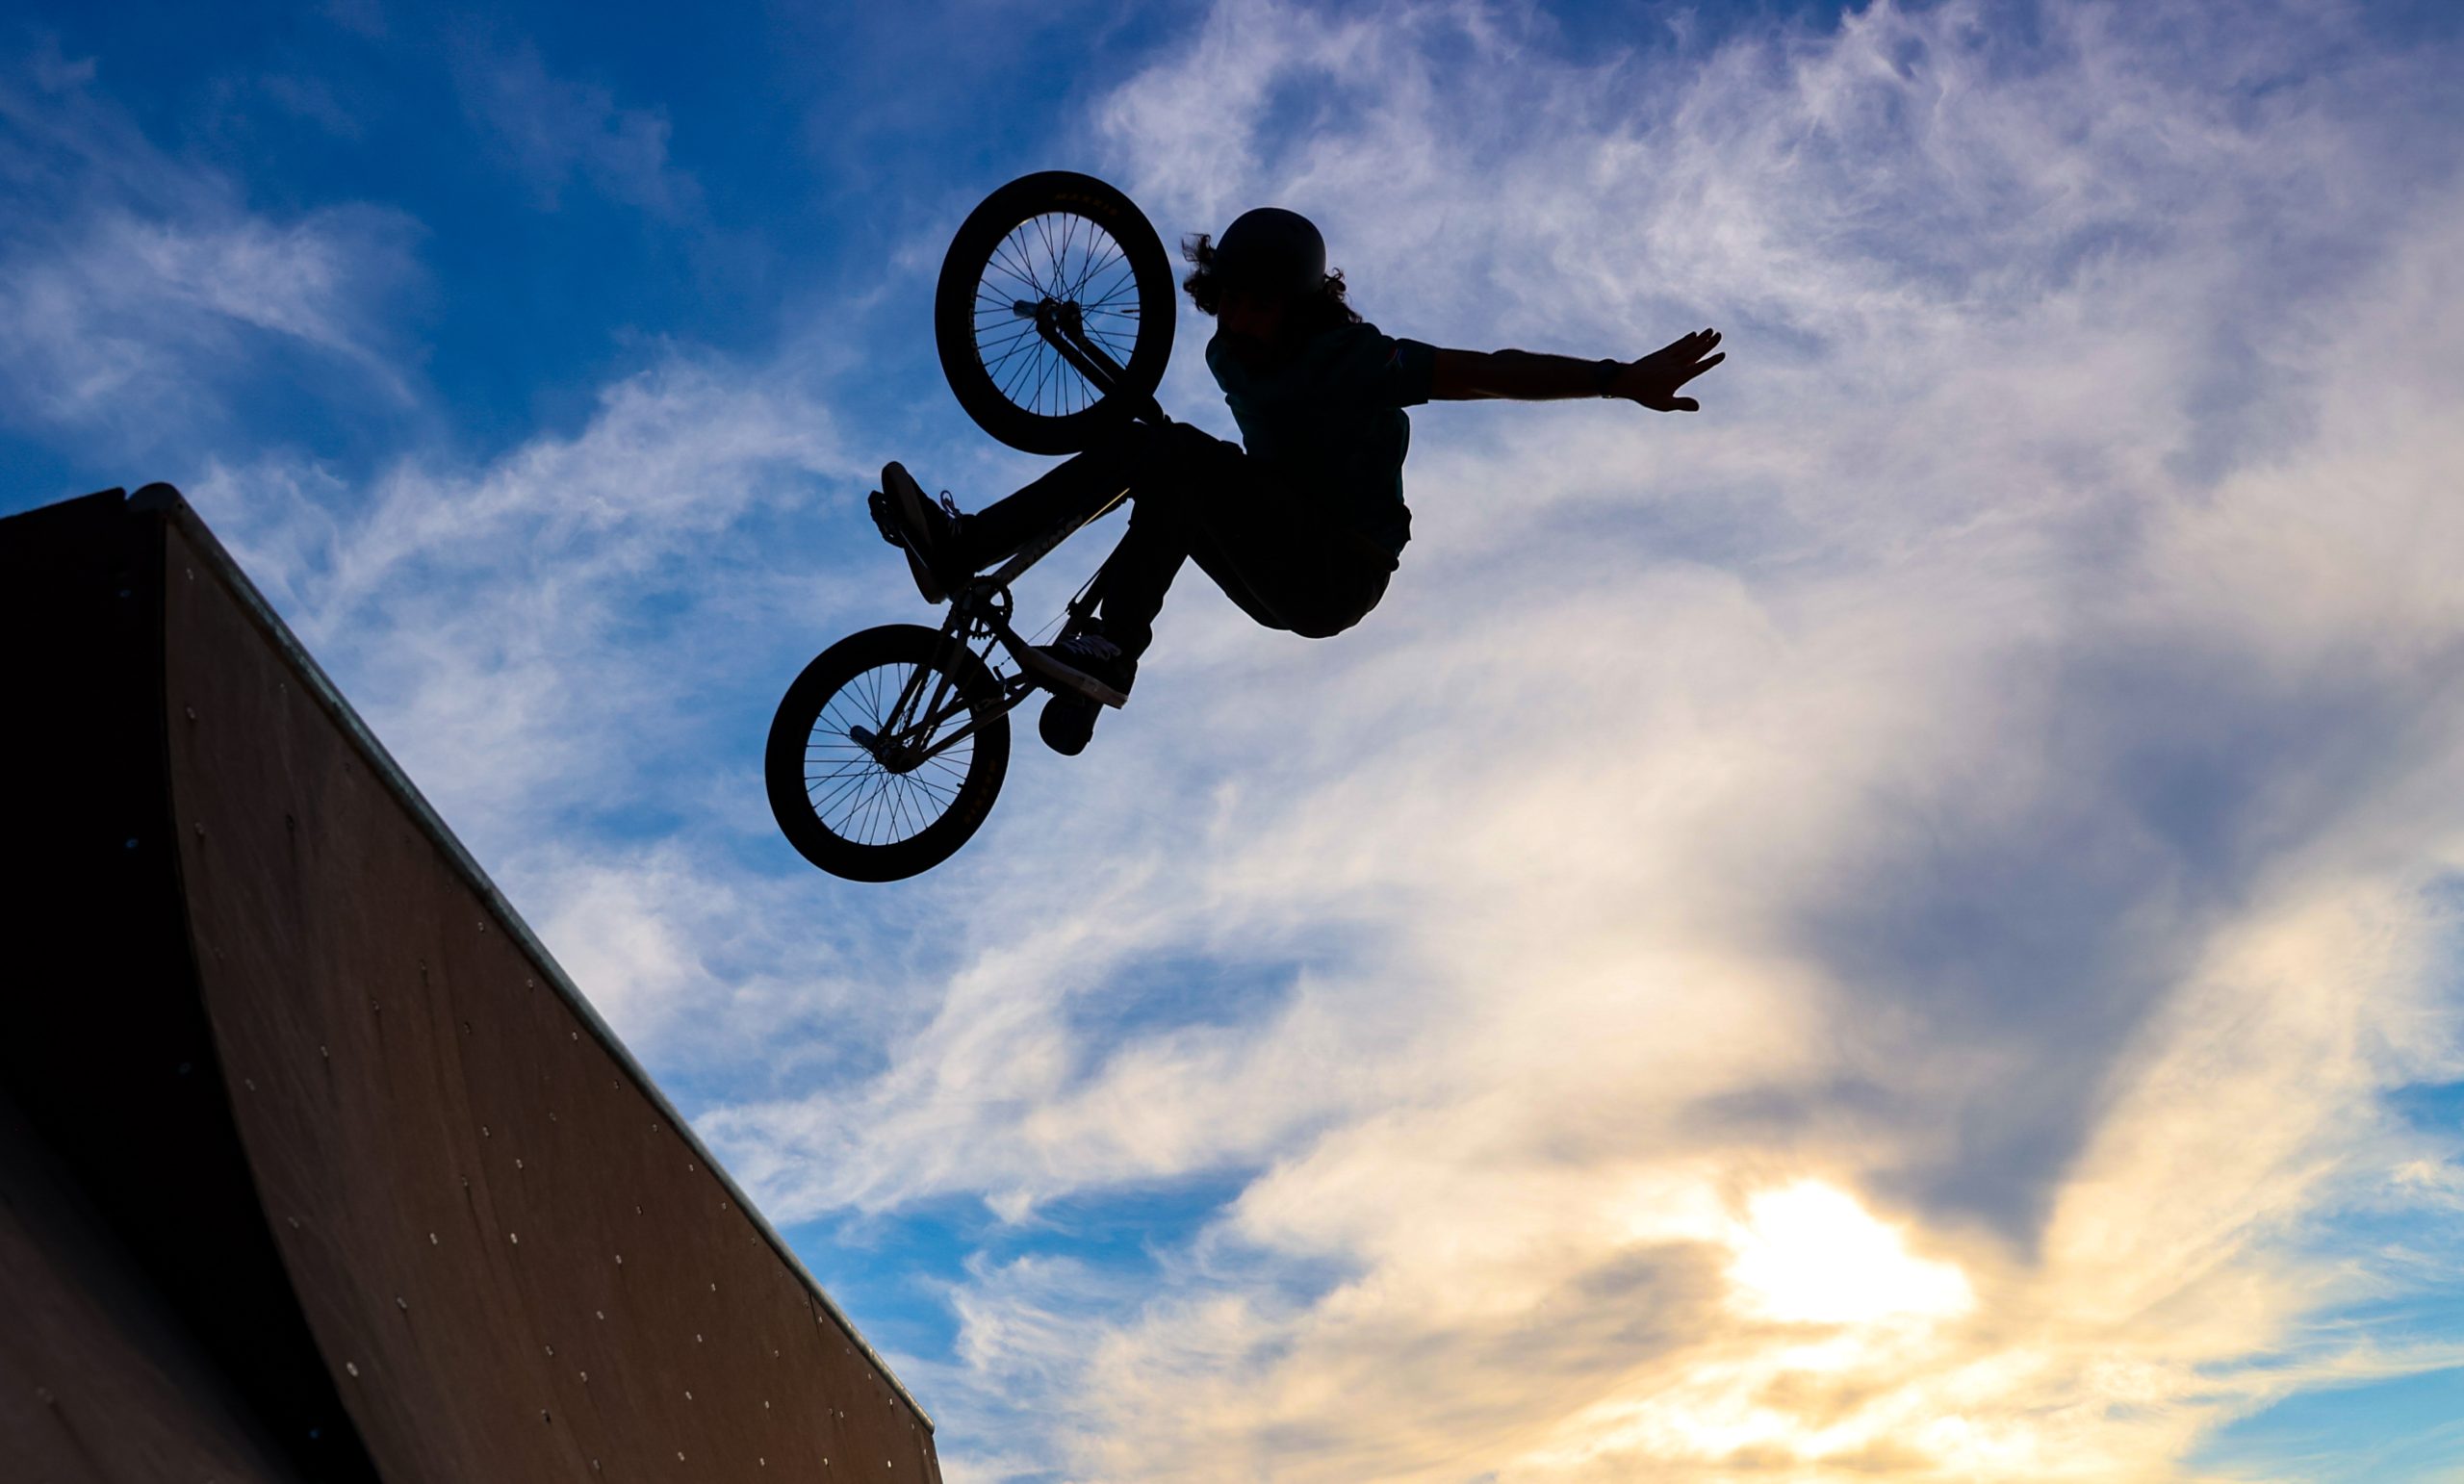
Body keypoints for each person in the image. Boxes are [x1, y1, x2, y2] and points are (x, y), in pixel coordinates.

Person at [877, 205, 1725, 755]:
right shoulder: (1224, 353)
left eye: (1260, 305)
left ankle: (1103, 647)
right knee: (1161, 452)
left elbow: (1492, 370)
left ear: (1302, 305)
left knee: (1175, 454)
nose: (1238, 321)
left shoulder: (1355, 360)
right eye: (1229, 299)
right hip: (1272, 560)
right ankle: (1008, 598)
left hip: (1338, 571)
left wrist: (1617, 379)